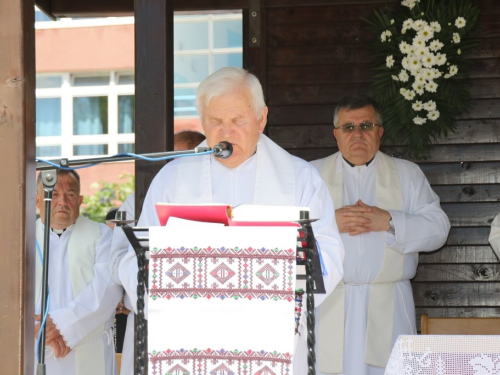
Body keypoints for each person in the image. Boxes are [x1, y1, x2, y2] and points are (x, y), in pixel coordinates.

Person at [109, 66, 345, 374]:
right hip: (188, 339)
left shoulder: (300, 179)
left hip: (267, 339)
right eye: (215, 121)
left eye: (237, 120)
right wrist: (164, 296)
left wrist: (276, 299)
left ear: (262, 119)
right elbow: (133, 257)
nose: (226, 132)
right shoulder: (173, 178)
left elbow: (329, 257)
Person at [310, 94, 451, 375]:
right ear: (335, 134)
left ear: (380, 132)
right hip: (329, 305)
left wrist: (389, 220)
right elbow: (284, 232)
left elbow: (438, 228)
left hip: (389, 303)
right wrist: (329, 222)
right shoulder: (311, 175)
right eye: (348, 127)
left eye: (366, 125)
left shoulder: (407, 174)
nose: (357, 134)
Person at [109, 130, 207, 375]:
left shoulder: (212, 197)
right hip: (149, 319)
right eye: (173, 158)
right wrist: (126, 293)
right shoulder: (138, 199)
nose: (178, 165)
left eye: (186, 157)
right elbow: (118, 256)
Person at [35, 169, 122, 375]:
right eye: (54, 194)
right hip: (34, 344)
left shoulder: (101, 235)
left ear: (80, 200)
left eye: (70, 195)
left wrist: (64, 326)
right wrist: (38, 331)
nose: (62, 202)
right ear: (38, 201)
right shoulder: (21, 237)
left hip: (87, 344)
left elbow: (108, 289)